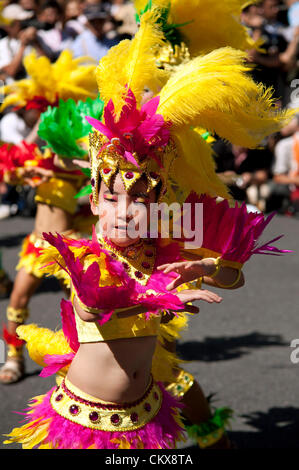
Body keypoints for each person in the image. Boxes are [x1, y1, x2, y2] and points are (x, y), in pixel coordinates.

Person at [3, 9, 291, 449]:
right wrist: (162, 293)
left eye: (139, 200)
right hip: (88, 420)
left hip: (147, 412)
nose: (126, 211)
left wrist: (213, 265)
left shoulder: (160, 246)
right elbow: (93, 309)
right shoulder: (84, 255)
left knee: (178, 382)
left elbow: (231, 276)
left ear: (158, 205)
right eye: (113, 198)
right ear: (95, 201)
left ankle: (214, 438)